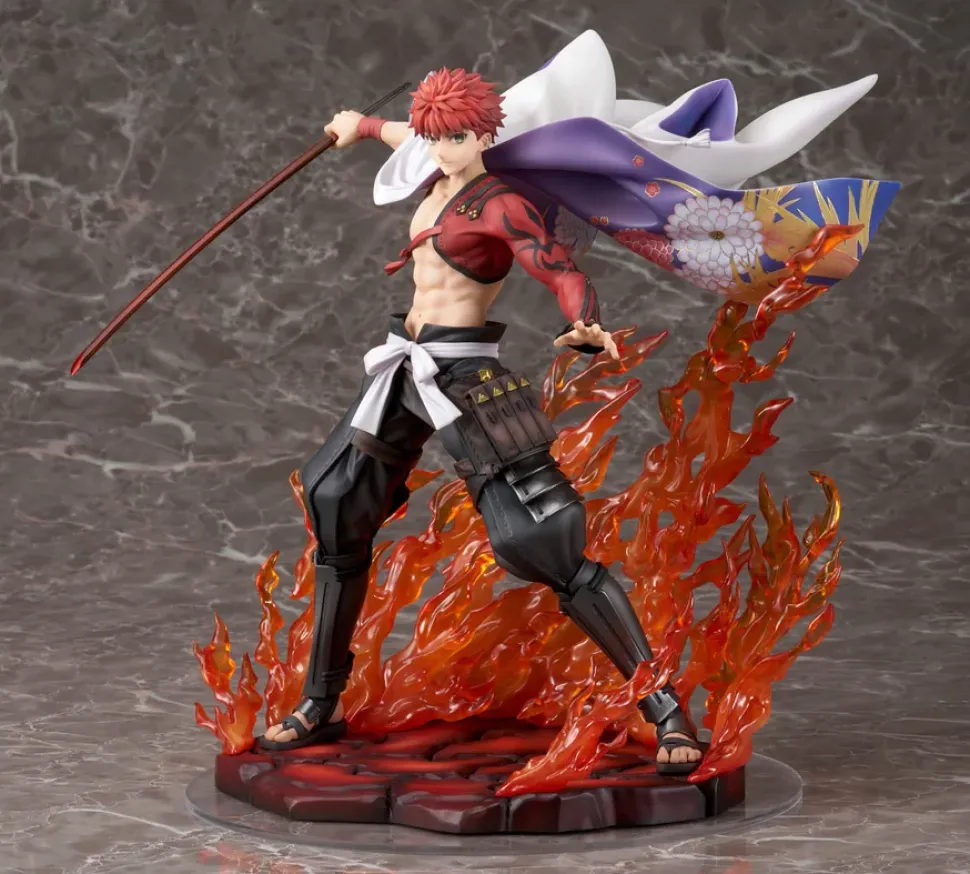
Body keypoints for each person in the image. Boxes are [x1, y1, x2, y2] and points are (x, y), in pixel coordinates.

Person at [255, 67, 704, 775]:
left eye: (456, 137)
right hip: (404, 367)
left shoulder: (502, 204)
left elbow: (559, 270)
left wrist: (585, 321)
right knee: (336, 498)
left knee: (544, 539)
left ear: (487, 135)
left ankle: (667, 710)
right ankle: (322, 701)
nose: (440, 148)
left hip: (465, 373)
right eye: (434, 136)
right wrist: (359, 126)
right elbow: (409, 135)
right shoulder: (436, 167)